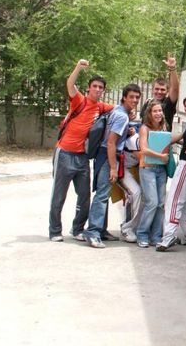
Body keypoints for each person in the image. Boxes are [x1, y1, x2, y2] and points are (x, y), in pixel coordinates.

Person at [48, 59, 115, 242]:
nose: (98, 89)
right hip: (64, 153)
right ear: (89, 88)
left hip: (82, 157)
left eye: (101, 87)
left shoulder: (101, 107)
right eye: (95, 86)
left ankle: (77, 228)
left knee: (85, 196)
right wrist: (78, 67)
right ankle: (54, 231)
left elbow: (119, 110)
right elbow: (70, 84)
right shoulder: (79, 101)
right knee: (59, 195)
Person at [83, 84, 142, 249]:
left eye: (137, 97)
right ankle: (93, 233)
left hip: (106, 156)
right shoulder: (122, 116)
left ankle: (101, 230)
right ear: (124, 97)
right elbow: (110, 143)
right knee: (102, 195)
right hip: (108, 156)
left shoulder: (118, 111)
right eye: (131, 97)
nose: (135, 100)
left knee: (104, 194)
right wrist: (113, 168)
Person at [157, 94, 186, 251]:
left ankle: (168, 237)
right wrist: (174, 140)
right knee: (184, 202)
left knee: (174, 201)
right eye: (185, 106)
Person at [136, 101, 171, 248]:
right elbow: (143, 149)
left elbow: (167, 142)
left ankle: (156, 236)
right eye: (155, 111)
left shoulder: (164, 127)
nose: (158, 114)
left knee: (161, 204)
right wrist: (161, 157)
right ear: (149, 114)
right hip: (148, 169)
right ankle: (142, 234)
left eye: (160, 111)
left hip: (161, 170)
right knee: (152, 202)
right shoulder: (144, 128)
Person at [140, 53, 180, 130]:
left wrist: (172, 68)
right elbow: (142, 122)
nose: (159, 91)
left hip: (162, 139)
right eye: (157, 89)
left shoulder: (168, 103)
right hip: (146, 139)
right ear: (152, 90)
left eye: (162, 89)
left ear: (167, 91)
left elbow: (175, 88)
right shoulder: (147, 102)